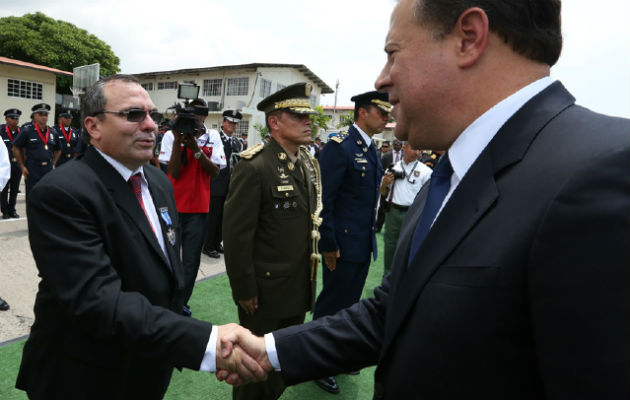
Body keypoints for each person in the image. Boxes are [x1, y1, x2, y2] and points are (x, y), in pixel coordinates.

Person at [217, 1, 629, 398]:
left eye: (394, 53)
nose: (382, 78)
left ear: (469, 39)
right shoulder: (456, 169)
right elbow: (392, 312)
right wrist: (269, 351)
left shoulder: (601, 171)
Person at [15, 74, 266, 400]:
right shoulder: (62, 192)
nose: (150, 125)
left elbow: (166, 275)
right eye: (133, 115)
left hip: (149, 363)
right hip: (84, 375)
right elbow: (97, 300)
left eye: (153, 116)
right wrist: (204, 342)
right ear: (93, 126)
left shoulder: (157, 182)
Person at [222, 82, 322, 400]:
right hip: (264, 294)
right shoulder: (255, 166)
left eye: (308, 116)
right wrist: (245, 290)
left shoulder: (306, 162)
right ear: (275, 122)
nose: (308, 122)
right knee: (254, 376)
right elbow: (236, 236)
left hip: (296, 287)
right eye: (297, 115)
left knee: (279, 371)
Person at [311, 90, 389, 393]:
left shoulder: (369, 148)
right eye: (381, 113)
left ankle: (338, 356)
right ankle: (318, 362)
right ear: (362, 113)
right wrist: (328, 243)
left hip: (360, 243)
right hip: (340, 245)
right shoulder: (339, 146)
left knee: (349, 307)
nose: (386, 119)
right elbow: (324, 199)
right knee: (331, 305)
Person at [167, 99, 221, 307]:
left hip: (199, 209)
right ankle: (168, 300)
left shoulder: (213, 136)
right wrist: (176, 142)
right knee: (169, 259)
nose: (195, 118)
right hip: (172, 207)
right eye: (190, 114)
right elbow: (173, 172)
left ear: (205, 116)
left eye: (199, 114)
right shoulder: (172, 135)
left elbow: (215, 172)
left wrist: (195, 149)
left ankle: (181, 304)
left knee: (190, 262)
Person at [379, 141, 431, 274]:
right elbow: (383, 193)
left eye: (420, 150)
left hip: (412, 214)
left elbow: (428, 197)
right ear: (404, 148)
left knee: (409, 246)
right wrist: (384, 184)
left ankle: (403, 276)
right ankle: (387, 274)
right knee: (390, 245)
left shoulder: (426, 172)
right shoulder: (392, 168)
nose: (417, 152)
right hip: (393, 211)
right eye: (414, 148)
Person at [203, 110, 242, 259]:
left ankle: (217, 242)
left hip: (230, 186)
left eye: (235, 123)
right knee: (213, 217)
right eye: (230, 122)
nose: (232, 125)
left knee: (223, 218)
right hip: (216, 184)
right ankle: (208, 246)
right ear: (223, 123)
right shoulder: (216, 138)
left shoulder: (237, 143)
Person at [12, 103, 61, 196]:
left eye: (46, 114)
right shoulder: (27, 131)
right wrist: (22, 166)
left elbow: (59, 149)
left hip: (48, 168)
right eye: (41, 114)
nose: (44, 117)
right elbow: (15, 148)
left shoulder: (53, 132)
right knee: (32, 196)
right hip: (32, 168)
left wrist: (54, 163)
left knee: (46, 195)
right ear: (34, 115)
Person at [1, 108, 23, 219]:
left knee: (14, 189)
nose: (15, 120)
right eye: (12, 118)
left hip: (17, 165)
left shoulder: (22, 132)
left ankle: (12, 210)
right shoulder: (1, 130)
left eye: (16, 118)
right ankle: (4, 211)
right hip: (4, 166)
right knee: (4, 189)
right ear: (6, 119)